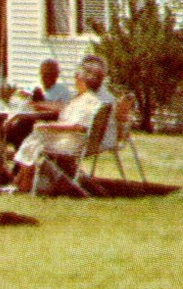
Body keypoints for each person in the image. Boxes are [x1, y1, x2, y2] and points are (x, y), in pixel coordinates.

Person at [9, 59, 111, 193]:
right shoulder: (84, 98)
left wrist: (48, 126)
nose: (75, 81)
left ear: (84, 81)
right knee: (34, 138)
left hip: (71, 142)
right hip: (73, 139)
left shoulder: (88, 101)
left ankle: (22, 184)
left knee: (35, 138)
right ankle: (19, 182)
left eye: (77, 78)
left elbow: (78, 126)